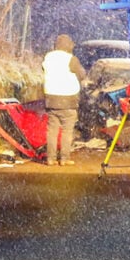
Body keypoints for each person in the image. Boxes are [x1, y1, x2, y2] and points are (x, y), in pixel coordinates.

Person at [42, 34, 86, 166]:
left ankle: (50, 158)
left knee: (52, 131)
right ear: (68, 45)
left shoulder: (48, 58)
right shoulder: (71, 59)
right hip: (68, 99)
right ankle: (64, 158)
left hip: (51, 99)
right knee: (67, 131)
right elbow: (82, 75)